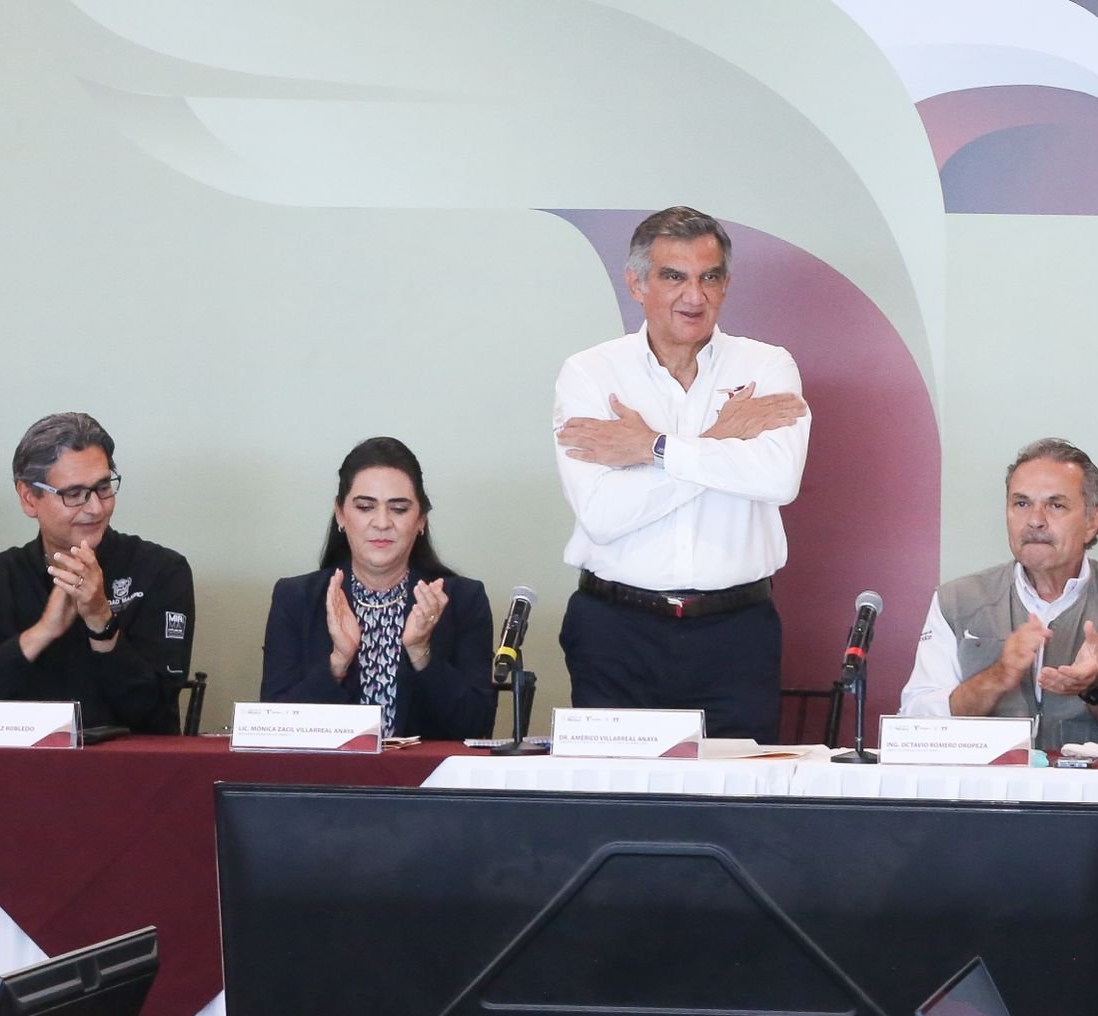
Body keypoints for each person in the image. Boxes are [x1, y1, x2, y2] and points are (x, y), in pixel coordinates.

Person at [552, 205, 811, 742]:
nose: (694, 296)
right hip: (616, 630)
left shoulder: (767, 367)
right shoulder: (590, 374)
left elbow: (777, 480)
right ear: (636, 284)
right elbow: (604, 515)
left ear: (726, 284)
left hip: (736, 632)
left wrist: (651, 448)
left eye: (709, 278)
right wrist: (720, 440)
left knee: (737, 787)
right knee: (613, 787)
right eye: (674, 277)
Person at [899, 439, 1098, 753]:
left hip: (1097, 784)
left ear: (1092, 521)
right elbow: (913, 728)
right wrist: (996, 677)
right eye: (1021, 504)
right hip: (989, 785)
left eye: (1055, 505)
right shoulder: (956, 601)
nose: (1035, 520)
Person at [0, 412, 194, 733]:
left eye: (103, 487)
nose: (95, 507)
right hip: (21, 761)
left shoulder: (162, 570)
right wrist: (42, 632)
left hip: (130, 760)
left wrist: (101, 621)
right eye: (74, 494)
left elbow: (155, 709)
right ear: (29, 498)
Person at [260, 437, 495, 739]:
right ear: (341, 514)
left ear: (421, 520)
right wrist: (337, 661)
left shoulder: (462, 600)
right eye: (365, 507)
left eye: (399, 509)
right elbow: (274, 728)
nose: (382, 523)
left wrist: (421, 652)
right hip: (326, 770)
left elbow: (476, 728)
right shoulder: (295, 599)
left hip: (426, 770)